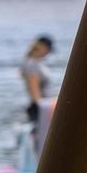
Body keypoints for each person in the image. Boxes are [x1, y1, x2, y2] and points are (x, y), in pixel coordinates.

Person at [20, 35, 56, 163]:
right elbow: (34, 89)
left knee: (43, 140)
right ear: (43, 48)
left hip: (45, 105)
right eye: (48, 50)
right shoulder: (33, 65)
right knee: (41, 141)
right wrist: (42, 106)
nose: (48, 54)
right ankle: (41, 168)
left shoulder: (37, 63)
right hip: (40, 107)